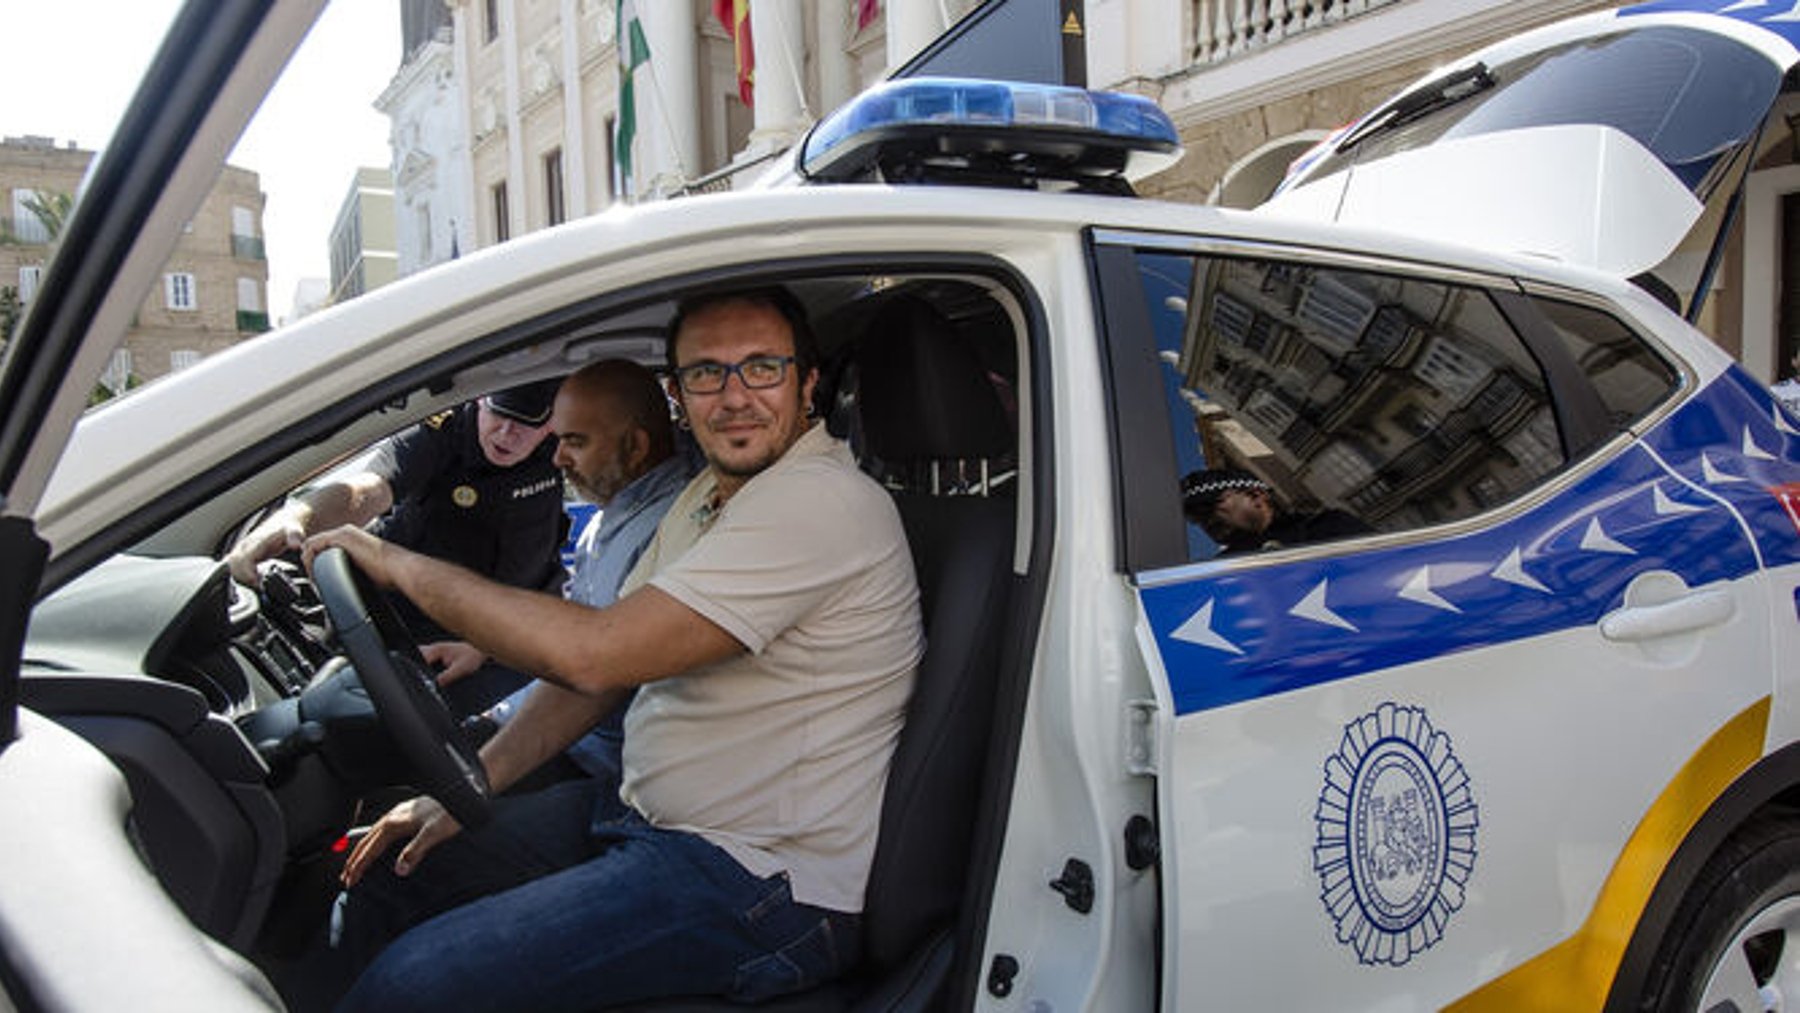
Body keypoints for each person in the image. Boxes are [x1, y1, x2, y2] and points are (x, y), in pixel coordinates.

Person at [304, 287, 923, 1011]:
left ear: (807, 383)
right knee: (391, 873)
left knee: (414, 986)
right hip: (642, 817)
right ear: (678, 395)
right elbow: (592, 682)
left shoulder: (820, 501)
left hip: (758, 883)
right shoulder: (710, 497)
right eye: (705, 373)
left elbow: (592, 653)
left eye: (761, 367)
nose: (733, 396)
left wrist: (394, 562)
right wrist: (464, 792)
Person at [428, 358, 695, 785]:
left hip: (606, 763)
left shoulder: (663, 531)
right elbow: (577, 626)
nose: (556, 458)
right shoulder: (616, 514)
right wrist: (486, 650)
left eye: (575, 442)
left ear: (637, 446)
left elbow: (590, 668)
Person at [226, 379, 565, 712]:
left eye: (524, 423)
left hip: (509, 642)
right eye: (499, 414)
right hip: (413, 637)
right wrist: (299, 517)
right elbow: (369, 489)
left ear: (552, 423)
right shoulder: (444, 430)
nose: (507, 433)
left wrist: (490, 647)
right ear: (480, 400)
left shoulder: (566, 449)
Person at [1181, 466, 1368, 555]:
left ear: (1256, 496)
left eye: (1210, 506)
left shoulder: (1329, 527)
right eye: (1195, 517)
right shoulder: (1221, 570)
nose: (1206, 520)